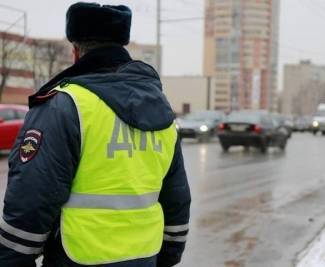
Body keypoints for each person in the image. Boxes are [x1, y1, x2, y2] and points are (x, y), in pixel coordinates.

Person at [0, 2, 191, 267]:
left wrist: (13, 260)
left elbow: (32, 196)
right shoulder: (161, 109)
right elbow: (177, 194)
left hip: (78, 256)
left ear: (75, 53)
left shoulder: (65, 105)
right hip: (145, 256)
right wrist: (168, 254)